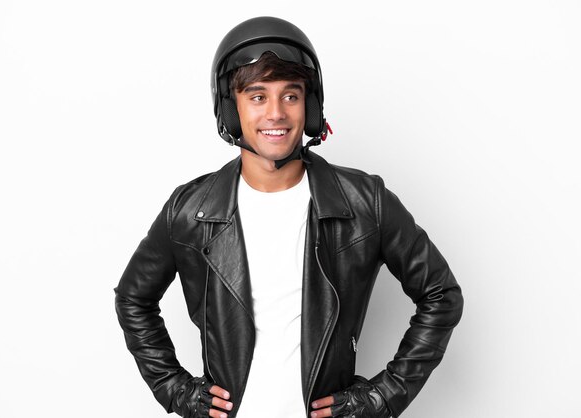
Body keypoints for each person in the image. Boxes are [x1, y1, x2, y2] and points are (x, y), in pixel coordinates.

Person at [114, 16, 463, 418]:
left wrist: (381, 398)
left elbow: (441, 294)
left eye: (291, 96)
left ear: (310, 107)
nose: (276, 113)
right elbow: (133, 298)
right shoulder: (190, 210)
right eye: (258, 96)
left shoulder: (367, 201)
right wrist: (177, 391)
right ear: (230, 109)